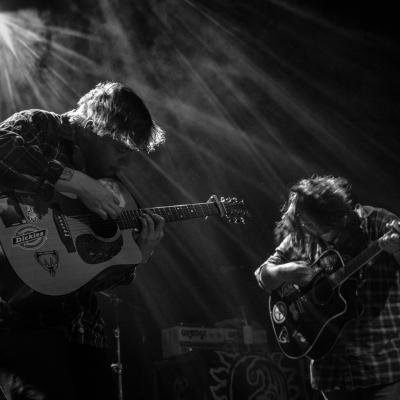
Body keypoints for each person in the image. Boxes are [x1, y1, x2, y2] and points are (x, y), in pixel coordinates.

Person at [0, 81, 166, 400]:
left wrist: (136, 256)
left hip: (83, 331)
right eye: (121, 149)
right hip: (20, 322)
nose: (125, 162)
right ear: (93, 126)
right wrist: (75, 181)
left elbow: (90, 275)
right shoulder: (41, 126)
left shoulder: (110, 186)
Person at [254, 175, 400, 400]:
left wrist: (397, 249)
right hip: (332, 374)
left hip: (382, 368)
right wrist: (284, 271)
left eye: (312, 222)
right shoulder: (303, 235)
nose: (308, 227)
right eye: (304, 223)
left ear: (334, 212)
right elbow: (263, 275)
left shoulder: (377, 222)